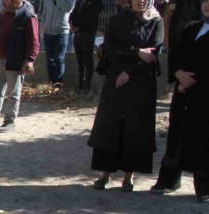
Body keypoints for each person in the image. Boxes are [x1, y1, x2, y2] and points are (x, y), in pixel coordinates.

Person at [88, 0, 163, 191]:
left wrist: (129, 70)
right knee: (110, 124)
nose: (141, 1)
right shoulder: (117, 19)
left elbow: (153, 52)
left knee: (135, 127)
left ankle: (129, 175)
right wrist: (136, 52)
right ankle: (105, 173)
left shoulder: (156, 21)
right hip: (116, 79)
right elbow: (110, 48)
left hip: (141, 82)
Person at [150, 0, 208, 200]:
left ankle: (204, 188)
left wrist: (192, 80)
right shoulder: (192, 28)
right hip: (183, 92)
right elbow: (176, 54)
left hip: (204, 94)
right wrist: (178, 74)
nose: (208, 5)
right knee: (176, 136)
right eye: (206, 2)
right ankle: (168, 180)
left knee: (202, 139)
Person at [0, 0, 40, 132]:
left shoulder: (28, 16)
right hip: (0, 59)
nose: (3, 2)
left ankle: (10, 121)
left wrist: (30, 60)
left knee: (13, 93)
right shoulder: (6, 12)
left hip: (15, 61)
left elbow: (34, 40)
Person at [39, 0, 77, 85]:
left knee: (58, 58)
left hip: (61, 32)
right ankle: (52, 81)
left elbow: (68, 8)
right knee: (49, 59)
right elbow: (44, 12)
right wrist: (43, 27)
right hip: (48, 32)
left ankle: (58, 82)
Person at [70, 0, 101, 91]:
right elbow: (74, 12)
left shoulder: (96, 2)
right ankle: (80, 84)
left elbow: (92, 17)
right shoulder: (79, 1)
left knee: (87, 61)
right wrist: (71, 23)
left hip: (88, 33)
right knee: (80, 61)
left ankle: (87, 86)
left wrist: (79, 26)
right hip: (77, 33)